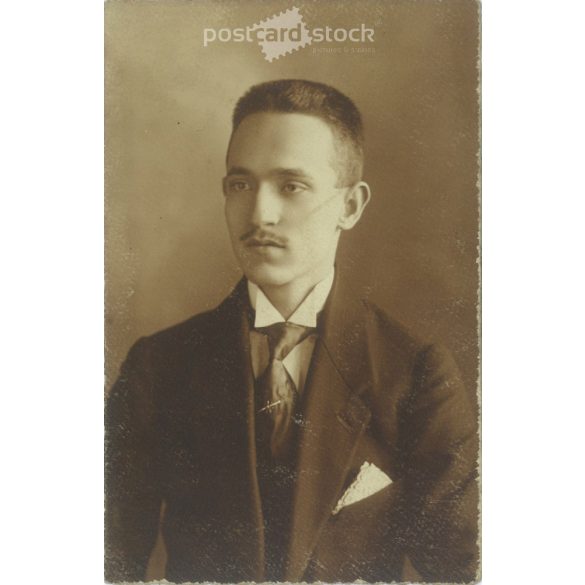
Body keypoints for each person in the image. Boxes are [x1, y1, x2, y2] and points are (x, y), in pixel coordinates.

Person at [105, 79, 479, 584]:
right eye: (241, 184)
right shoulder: (159, 366)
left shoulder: (414, 373)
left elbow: (472, 571)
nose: (260, 214)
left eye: (291, 186)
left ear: (350, 206)